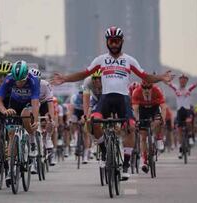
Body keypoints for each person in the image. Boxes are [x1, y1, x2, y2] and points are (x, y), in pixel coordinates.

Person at [51, 26, 173, 180]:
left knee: (131, 126)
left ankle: (126, 165)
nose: (114, 44)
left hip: (123, 99)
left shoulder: (129, 60)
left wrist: (161, 78)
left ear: (121, 41)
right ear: (107, 42)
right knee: (93, 121)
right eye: (111, 41)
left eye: (116, 41)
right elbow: (84, 73)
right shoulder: (101, 59)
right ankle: (103, 150)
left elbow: (146, 77)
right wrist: (65, 79)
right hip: (106, 98)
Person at [0, 60, 40, 185]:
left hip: (28, 104)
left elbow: (35, 102)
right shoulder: (9, 79)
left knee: (25, 114)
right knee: (11, 134)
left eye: (22, 81)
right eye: (17, 81)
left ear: (26, 76)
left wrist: (35, 121)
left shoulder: (34, 80)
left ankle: (32, 141)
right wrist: (5, 111)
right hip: (14, 104)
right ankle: (11, 169)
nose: (19, 84)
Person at [165, 73, 197, 159]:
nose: (183, 81)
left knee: (189, 122)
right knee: (179, 129)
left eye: (185, 80)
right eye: (181, 80)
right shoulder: (175, 87)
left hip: (187, 110)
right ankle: (180, 149)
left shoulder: (189, 88)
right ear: (179, 81)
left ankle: (190, 137)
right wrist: (158, 76)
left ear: (186, 81)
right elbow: (166, 82)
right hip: (179, 111)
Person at [132, 80, 167, 173]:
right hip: (142, 110)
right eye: (144, 88)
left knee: (158, 121)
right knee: (143, 137)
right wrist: (137, 121)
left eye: (149, 88)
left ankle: (159, 137)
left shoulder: (157, 90)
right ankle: (144, 160)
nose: (146, 90)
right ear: (141, 87)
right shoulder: (136, 92)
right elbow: (135, 110)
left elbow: (163, 107)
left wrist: (163, 119)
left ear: (152, 87)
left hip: (154, 109)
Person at [29, 68, 55, 171]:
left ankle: (48, 138)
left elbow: (50, 103)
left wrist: (51, 118)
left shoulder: (45, 85)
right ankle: (32, 146)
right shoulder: (27, 85)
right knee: (31, 123)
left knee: (50, 121)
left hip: (44, 103)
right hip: (32, 103)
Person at [82, 70, 102, 164]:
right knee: (89, 119)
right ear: (92, 78)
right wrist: (85, 115)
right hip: (94, 100)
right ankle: (95, 140)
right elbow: (86, 100)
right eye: (95, 79)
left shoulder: (107, 81)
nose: (97, 81)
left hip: (106, 97)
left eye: (99, 79)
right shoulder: (87, 81)